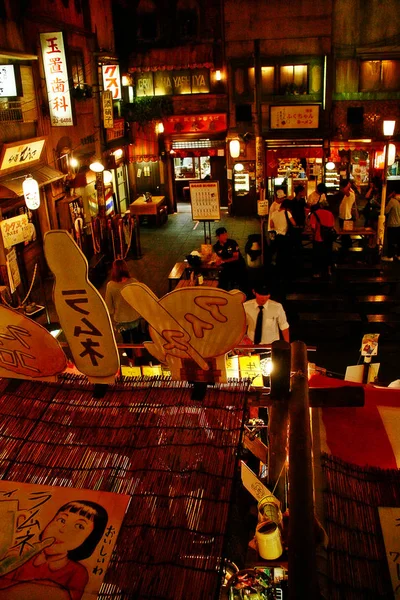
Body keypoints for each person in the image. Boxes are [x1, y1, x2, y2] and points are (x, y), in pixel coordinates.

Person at [0, 500, 108, 600]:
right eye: (61, 520)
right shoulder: (23, 558)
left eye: (79, 526)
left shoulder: (77, 572)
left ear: (90, 538)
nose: (62, 529)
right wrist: (7, 563)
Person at [105, 259, 142, 354]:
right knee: (137, 337)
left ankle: (131, 360)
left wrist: (114, 311)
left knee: (126, 341)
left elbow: (109, 307)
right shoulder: (134, 282)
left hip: (121, 319)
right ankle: (139, 354)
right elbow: (140, 300)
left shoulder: (111, 286)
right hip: (135, 316)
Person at [213, 227, 248, 293]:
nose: (225, 236)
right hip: (227, 267)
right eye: (223, 235)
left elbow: (236, 257)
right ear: (218, 237)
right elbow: (220, 257)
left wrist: (223, 261)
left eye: (226, 234)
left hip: (238, 265)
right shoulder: (216, 246)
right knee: (222, 282)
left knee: (243, 282)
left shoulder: (232, 243)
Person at [309, 202, 336, 278]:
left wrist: (313, 234)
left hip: (319, 238)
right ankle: (328, 271)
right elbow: (332, 225)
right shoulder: (330, 213)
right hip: (328, 238)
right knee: (328, 254)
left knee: (317, 255)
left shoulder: (314, 214)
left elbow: (313, 227)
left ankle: (317, 273)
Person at [338, 178, 359, 254]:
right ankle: (346, 249)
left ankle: (347, 250)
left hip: (346, 217)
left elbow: (345, 191)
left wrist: (348, 184)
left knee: (346, 235)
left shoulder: (350, 193)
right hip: (344, 216)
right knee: (344, 235)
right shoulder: (350, 192)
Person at [382, 192, 400, 261]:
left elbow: (386, 211)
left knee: (390, 241)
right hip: (399, 224)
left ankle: (390, 256)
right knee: (398, 241)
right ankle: (398, 255)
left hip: (392, 224)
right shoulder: (398, 202)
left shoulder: (392, 201)